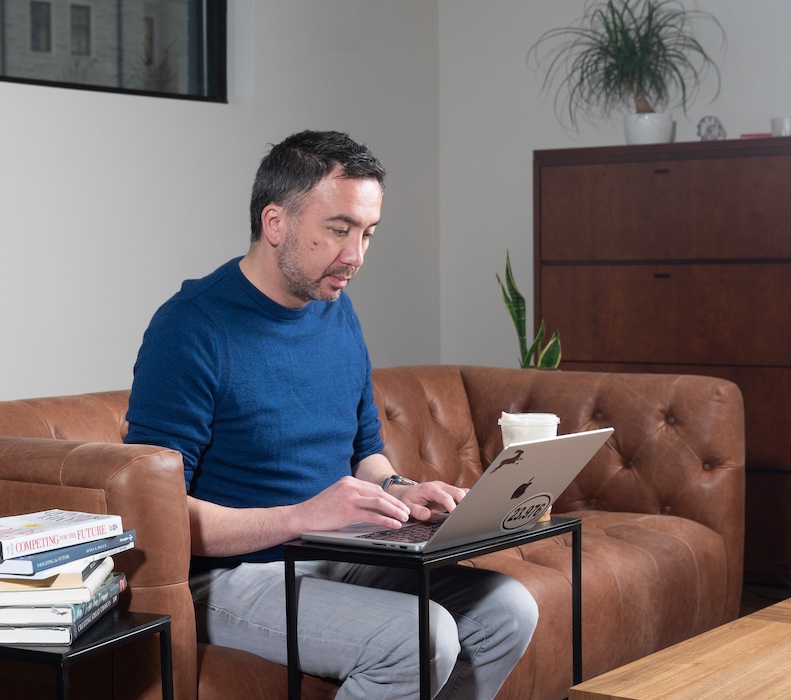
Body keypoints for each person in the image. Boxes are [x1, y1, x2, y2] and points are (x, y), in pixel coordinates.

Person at [124, 130, 538, 698]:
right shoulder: (189, 329)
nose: (356, 256)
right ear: (276, 223)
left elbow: (365, 455)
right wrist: (302, 516)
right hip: (227, 577)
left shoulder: (336, 312)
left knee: (507, 609)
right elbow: (158, 515)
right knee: (420, 637)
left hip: (335, 550)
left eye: (367, 233)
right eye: (339, 230)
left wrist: (401, 489)